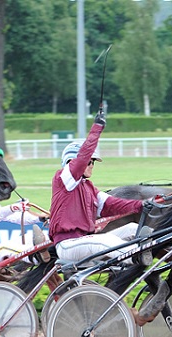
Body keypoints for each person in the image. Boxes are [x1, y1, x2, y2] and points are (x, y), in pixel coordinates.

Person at [49, 110, 152, 265]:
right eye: (90, 162)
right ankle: (135, 257)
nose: (92, 165)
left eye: (93, 162)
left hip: (85, 242)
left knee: (132, 228)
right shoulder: (63, 178)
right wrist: (97, 127)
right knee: (105, 239)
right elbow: (83, 156)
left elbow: (114, 204)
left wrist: (142, 205)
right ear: (72, 162)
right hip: (68, 245)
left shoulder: (89, 188)